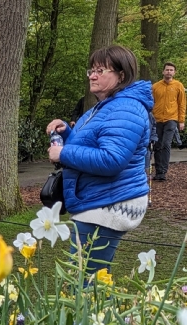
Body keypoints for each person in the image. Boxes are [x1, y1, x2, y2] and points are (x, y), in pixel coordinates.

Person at [46, 45, 152, 273]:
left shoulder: (126, 108)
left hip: (109, 203)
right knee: (92, 280)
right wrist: (66, 133)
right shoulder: (106, 106)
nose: (92, 76)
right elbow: (92, 145)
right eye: (91, 70)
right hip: (99, 200)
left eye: (100, 71)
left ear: (121, 75)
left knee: (83, 280)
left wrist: (63, 153)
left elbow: (111, 159)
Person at [150, 62, 185, 181]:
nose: (169, 72)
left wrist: (181, 120)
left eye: (171, 70)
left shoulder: (178, 86)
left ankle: (163, 172)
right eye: (167, 70)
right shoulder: (155, 87)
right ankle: (158, 171)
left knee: (166, 144)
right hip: (157, 119)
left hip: (171, 119)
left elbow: (182, 104)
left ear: (174, 72)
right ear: (163, 71)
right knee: (157, 145)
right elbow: (150, 103)